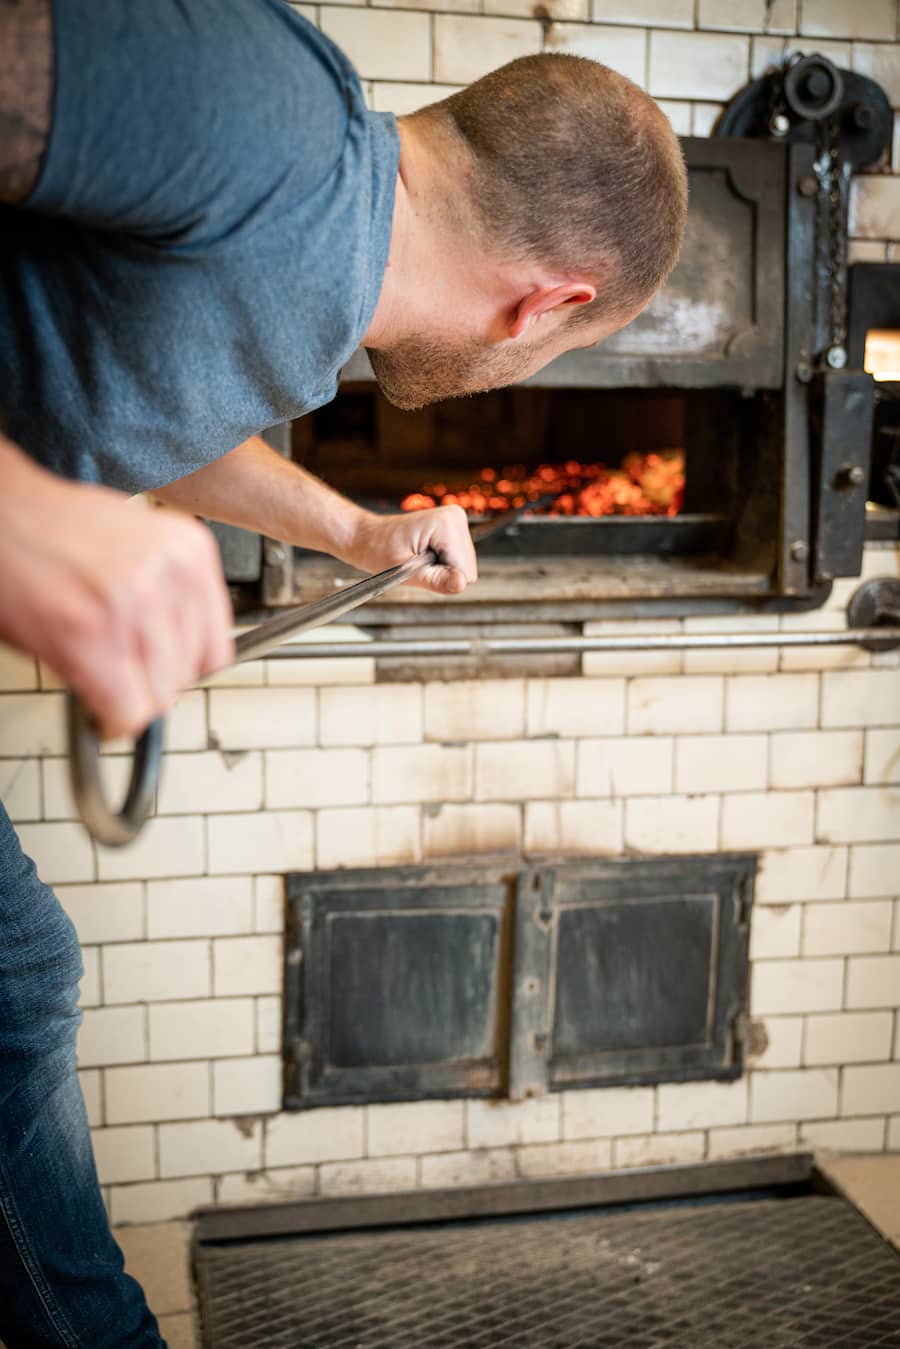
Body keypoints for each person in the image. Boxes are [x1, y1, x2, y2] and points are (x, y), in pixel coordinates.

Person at [0, 0, 688, 1342]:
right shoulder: (267, 114)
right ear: (552, 303)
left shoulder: (313, 295)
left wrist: (355, 530)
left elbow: (138, 388)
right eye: (558, 351)